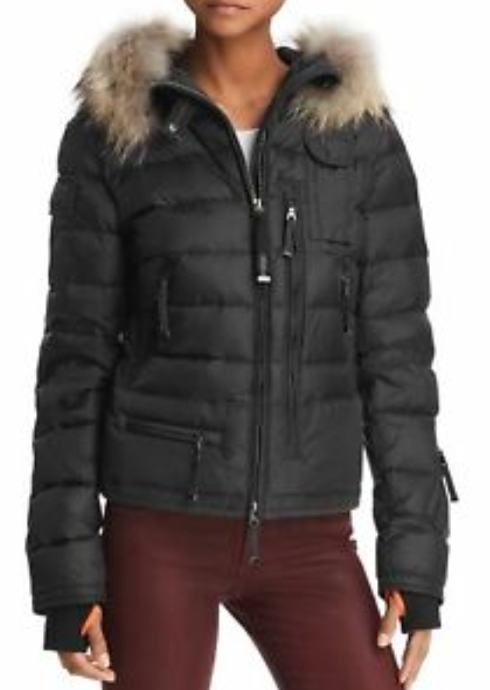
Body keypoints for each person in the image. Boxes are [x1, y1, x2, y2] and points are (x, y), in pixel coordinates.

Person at [25, 2, 459, 688]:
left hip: (312, 536)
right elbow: (74, 363)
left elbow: (398, 358)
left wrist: (415, 563)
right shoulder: (115, 131)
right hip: (156, 533)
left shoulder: (357, 134)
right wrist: (68, 581)